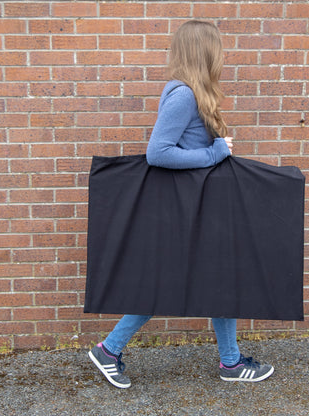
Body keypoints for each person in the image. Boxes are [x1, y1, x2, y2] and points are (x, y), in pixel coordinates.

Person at [88, 20, 274, 389]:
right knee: (175, 279)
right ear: (203, 53)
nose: (223, 55)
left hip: (197, 207)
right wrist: (214, 151)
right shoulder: (184, 95)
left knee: (218, 278)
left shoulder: (193, 94)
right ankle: (110, 350)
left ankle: (230, 361)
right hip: (184, 209)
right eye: (218, 49)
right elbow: (158, 153)